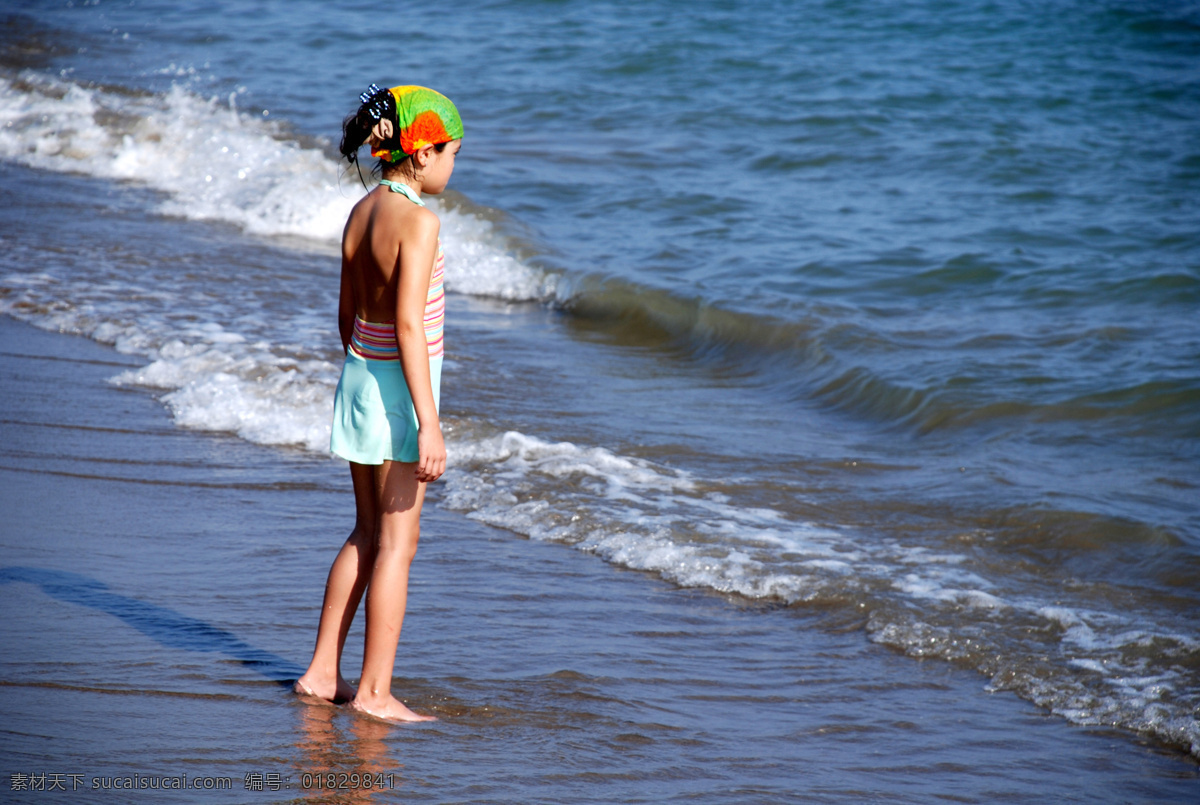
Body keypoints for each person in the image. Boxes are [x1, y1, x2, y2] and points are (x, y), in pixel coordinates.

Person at [294, 84, 463, 722]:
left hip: (359, 379)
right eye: (451, 154)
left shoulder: (361, 212)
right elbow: (412, 326)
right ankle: (373, 692)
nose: (453, 166)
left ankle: (320, 672)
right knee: (399, 543)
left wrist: (364, 378)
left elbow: (348, 317)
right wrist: (429, 425)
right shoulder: (419, 222)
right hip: (399, 394)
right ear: (421, 154)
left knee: (366, 531)